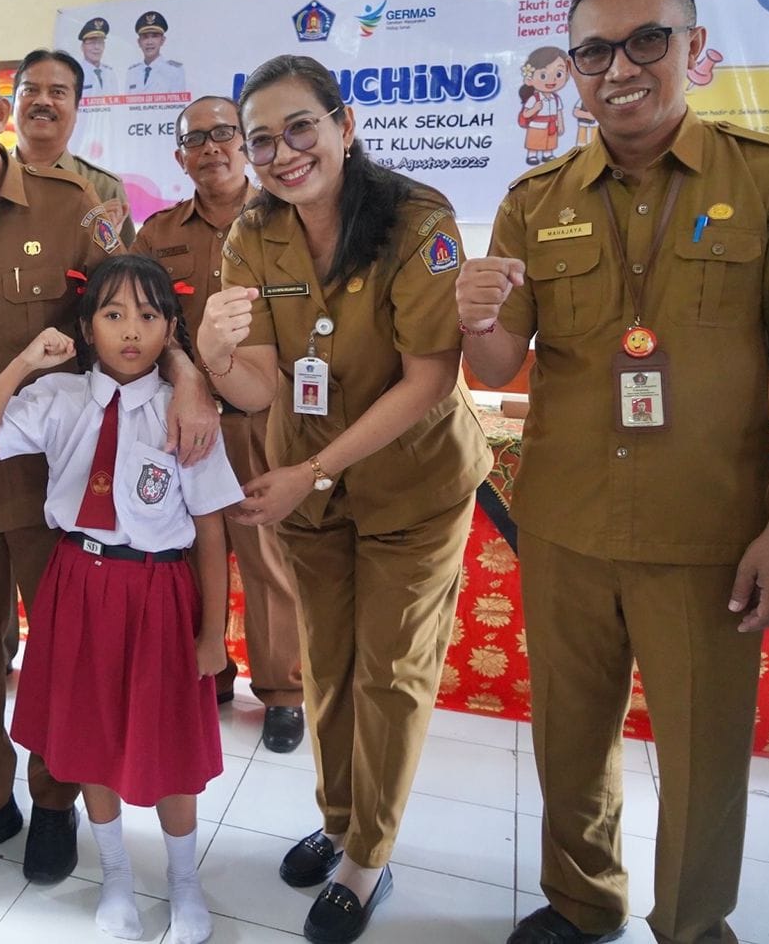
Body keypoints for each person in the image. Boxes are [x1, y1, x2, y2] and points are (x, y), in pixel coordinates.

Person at [456, 0, 769, 944]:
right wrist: (472, 318)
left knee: (704, 750)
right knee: (569, 737)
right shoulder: (533, 197)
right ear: (573, 70)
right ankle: (580, 897)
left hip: (708, 534)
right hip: (566, 527)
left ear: (694, 50)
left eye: (647, 40)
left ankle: (689, 921)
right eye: (594, 49)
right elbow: (504, 359)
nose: (619, 67)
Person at [0, 36, 220, 887]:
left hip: (65, 482)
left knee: (67, 655)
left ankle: (58, 802)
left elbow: (140, 311)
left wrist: (188, 384)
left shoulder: (78, 205)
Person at [198, 54, 490, 943]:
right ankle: (337, 823)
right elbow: (258, 384)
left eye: (301, 129)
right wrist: (213, 356)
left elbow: (430, 380)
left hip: (413, 489)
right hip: (310, 493)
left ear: (344, 125)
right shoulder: (252, 235)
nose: (284, 154)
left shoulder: (416, 219)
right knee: (328, 664)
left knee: (391, 673)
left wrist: (313, 473)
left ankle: (369, 858)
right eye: (263, 141)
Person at [0, 254, 243, 944]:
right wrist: (24, 363)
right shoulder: (58, 400)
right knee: (88, 737)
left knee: (167, 743)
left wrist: (212, 633)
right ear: (86, 328)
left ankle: (182, 882)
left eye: (148, 316)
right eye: (113, 315)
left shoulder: (188, 409)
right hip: (78, 586)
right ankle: (114, 875)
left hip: (160, 592)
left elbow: (209, 527)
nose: (131, 331)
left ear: (171, 328)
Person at [134, 95, 307, 752]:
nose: (211, 147)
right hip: (185, 418)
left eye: (223, 134)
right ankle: (210, 669)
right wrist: (187, 381)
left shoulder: (286, 221)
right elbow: (146, 319)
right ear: (180, 156)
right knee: (187, 550)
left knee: (266, 557)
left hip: (264, 417)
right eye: (195, 138)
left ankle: (282, 689)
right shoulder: (157, 234)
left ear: (248, 144)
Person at [13, 51, 136, 264]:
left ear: (77, 108)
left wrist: (101, 240)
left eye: (57, 92)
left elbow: (124, 278)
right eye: (30, 90)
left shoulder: (104, 188)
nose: (42, 100)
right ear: (11, 103)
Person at [126, 12, 187, 96]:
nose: (149, 42)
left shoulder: (174, 71)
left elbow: (178, 106)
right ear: (139, 42)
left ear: (162, 40)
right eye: (145, 37)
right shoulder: (132, 72)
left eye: (154, 36)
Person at [78, 17, 115, 97]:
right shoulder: (77, 73)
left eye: (100, 42)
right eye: (92, 42)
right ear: (82, 47)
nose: (97, 47)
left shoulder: (110, 73)